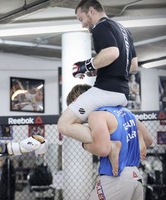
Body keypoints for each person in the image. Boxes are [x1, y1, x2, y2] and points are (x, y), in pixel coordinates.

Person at [58, 0, 138, 143]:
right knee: (96, 123)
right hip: (123, 93)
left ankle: (108, 144)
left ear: (91, 11)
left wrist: (86, 65)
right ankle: (108, 142)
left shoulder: (100, 26)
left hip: (106, 90)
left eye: (81, 19)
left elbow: (112, 53)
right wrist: (97, 69)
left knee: (64, 124)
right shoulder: (125, 31)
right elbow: (132, 65)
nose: (82, 24)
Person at [66, 84, 153, 200]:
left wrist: (85, 143)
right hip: (135, 177)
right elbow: (149, 140)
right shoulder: (126, 112)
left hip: (115, 177)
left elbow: (102, 150)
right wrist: (137, 140)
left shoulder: (97, 116)